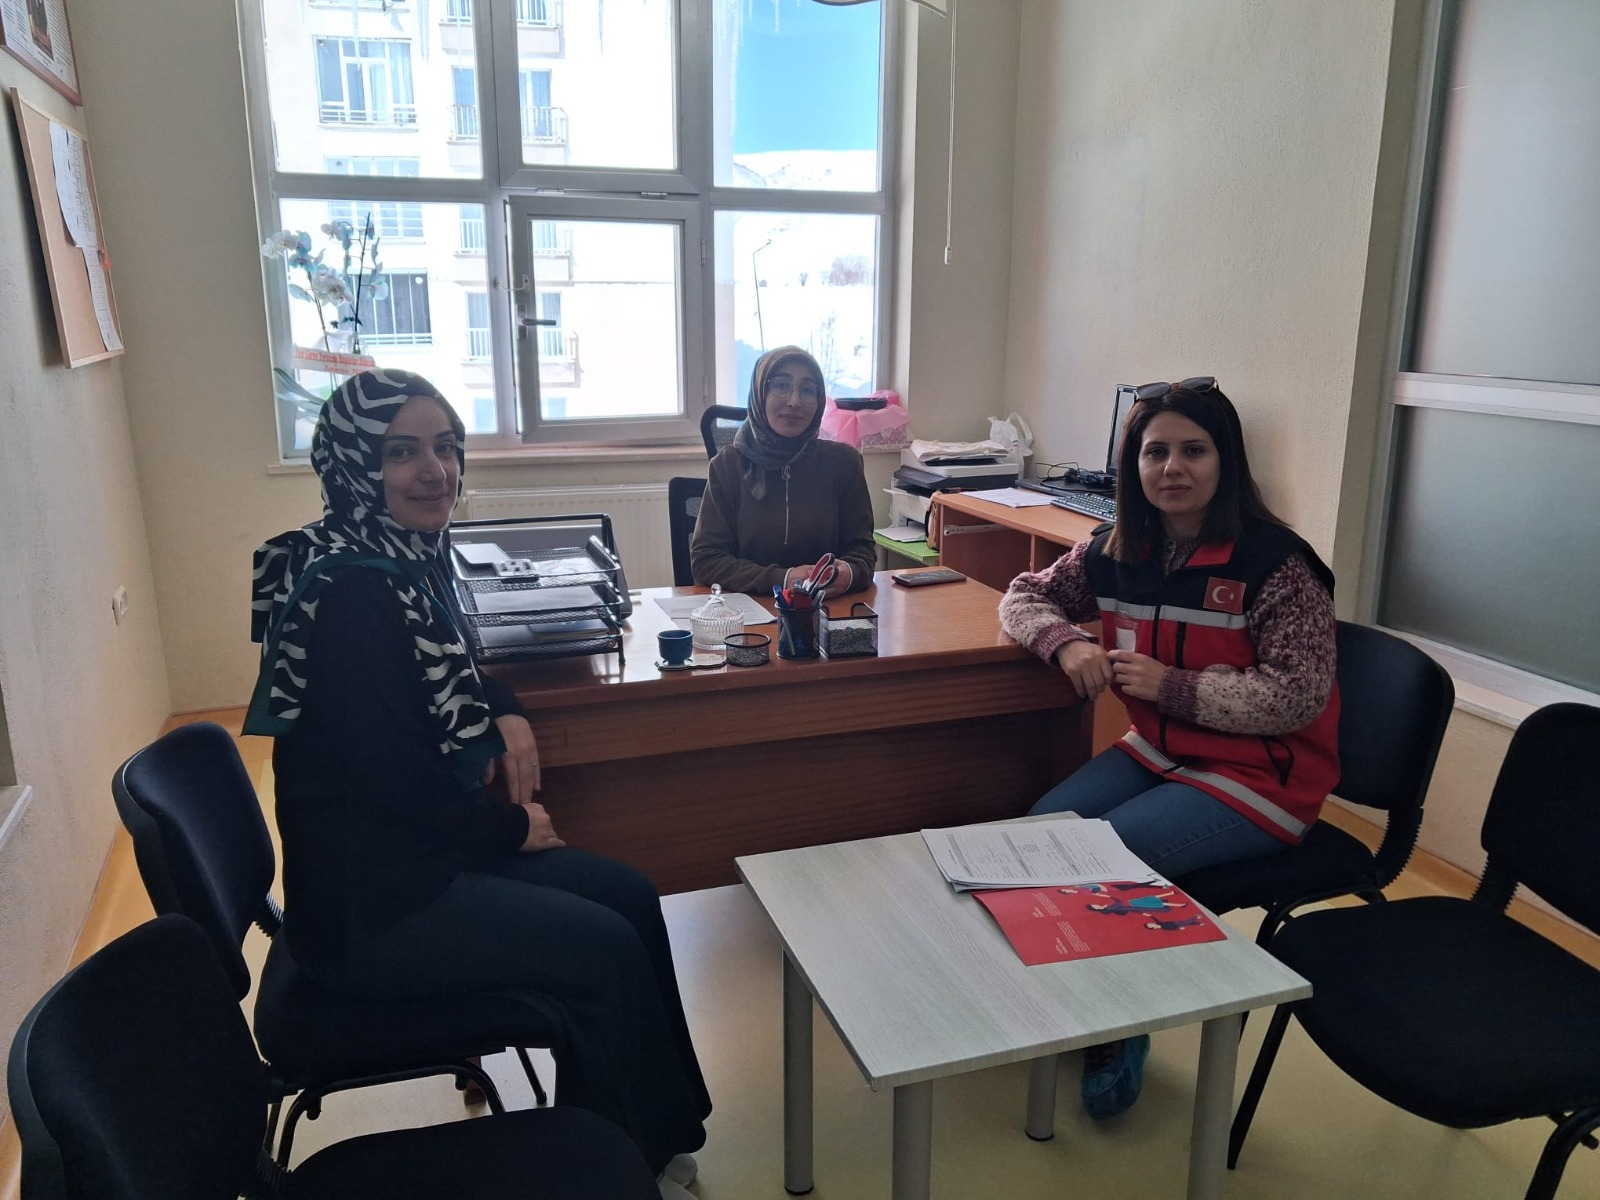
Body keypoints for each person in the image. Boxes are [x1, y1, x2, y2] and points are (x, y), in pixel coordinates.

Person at [245, 369, 711, 1197]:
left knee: (630, 896)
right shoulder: (351, 594)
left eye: (446, 447)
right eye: (402, 452)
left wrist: (504, 707)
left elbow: (452, 670)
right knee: (601, 947)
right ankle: (608, 1167)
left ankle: (656, 1129)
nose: (436, 471)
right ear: (355, 464)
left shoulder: (391, 558)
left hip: (414, 860)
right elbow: (395, 783)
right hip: (371, 909)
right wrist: (509, 829)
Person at [999, 377, 1339, 1122]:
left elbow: (1298, 695)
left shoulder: (1277, 565)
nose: (1172, 468)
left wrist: (1173, 687)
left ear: (1227, 461)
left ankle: (1119, 1027)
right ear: (1133, 467)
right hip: (1159, 752)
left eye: (1194, 450)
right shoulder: (1120, 550)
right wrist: (1064, 642)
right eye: (1155, 452)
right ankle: (1072, 990)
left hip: (1263, 776)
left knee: (1104, 861)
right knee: (1039, 833)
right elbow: (1022, 594)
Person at [691, 345, 876, 596]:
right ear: (761, 394)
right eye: (781, 385)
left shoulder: (844, 463)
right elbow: (706, 560)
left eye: (807, 390)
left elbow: (862, 551)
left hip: (825, 609)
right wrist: (784, 579)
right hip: (750, 613)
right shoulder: (727, 466)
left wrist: (849, 573)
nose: (794, 401)